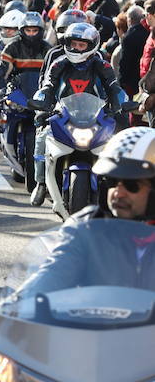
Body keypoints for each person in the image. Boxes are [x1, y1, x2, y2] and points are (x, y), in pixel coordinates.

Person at [15, 127, 155, 297]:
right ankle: (41, 182)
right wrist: (16, 307)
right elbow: (51, 276)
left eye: (132, 185)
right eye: (111, 182)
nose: (118, 193)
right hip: (99, 322)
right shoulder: (85, 229)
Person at [31, 23, 128, 215]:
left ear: (91, 46)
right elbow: (48, 85)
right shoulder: (59, 63)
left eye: (81, 45)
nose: (76, 48)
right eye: (73, 44)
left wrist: (121, 102)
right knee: (42, 136)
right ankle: (41, 182)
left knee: (118, 143)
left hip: (95, 116)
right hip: (63, 113)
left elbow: (114, 86)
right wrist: (42, 99)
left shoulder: (102, 65)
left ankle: (120, 188)